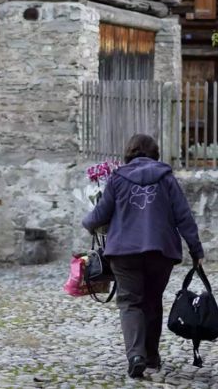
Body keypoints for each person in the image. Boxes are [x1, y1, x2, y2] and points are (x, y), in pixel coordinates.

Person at [82, 134, 205, 379]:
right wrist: (196, 250)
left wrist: (87, 222)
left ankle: (135, 356)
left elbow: (101, 214)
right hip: (161, 252)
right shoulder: (166, 177)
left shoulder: (118, 178)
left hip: (124, 253)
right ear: (155, 153)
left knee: (130, 302)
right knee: (152, 301)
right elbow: (184, 216)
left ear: (129, 152)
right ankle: (151, 357)